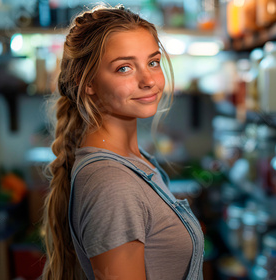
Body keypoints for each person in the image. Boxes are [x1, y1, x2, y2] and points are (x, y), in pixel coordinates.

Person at [41, 5, 204, 280]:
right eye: (124, 68)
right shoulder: (112, 184)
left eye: (153, 62)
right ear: (87, 81)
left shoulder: (135, 161)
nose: (149, 80)